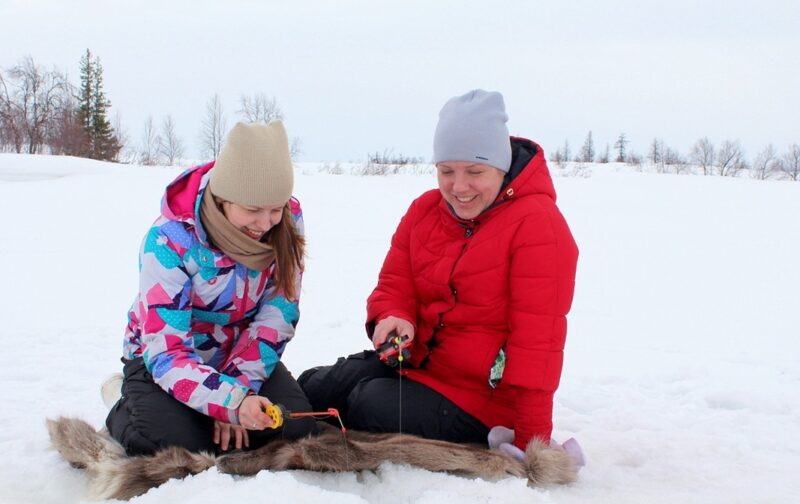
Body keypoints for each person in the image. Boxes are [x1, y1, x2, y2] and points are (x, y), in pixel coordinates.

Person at [299, 90, 579, 459]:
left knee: (367, 404)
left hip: (482, 400)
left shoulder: (539, 226)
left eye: (475, 172)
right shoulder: (425, 210)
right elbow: (395, 284)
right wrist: (393, 317)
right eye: (447, 171)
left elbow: (538, 343)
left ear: (501, 165)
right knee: (315, 386)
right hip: (416, 368)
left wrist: (532, 443)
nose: (459, 187)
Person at [105, 121, 316, 456]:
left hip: (241, 353)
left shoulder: (287, 221)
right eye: (252, 210)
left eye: (275, 209)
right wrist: (229, 402)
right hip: (164, 359)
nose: (265, 224)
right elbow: (167, 350)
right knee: (176, 443)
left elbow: (279, 312)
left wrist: (240, 391)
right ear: (223, 197)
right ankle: (125, 401)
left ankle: (201, 411)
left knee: (294, 428)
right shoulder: (168, 240)